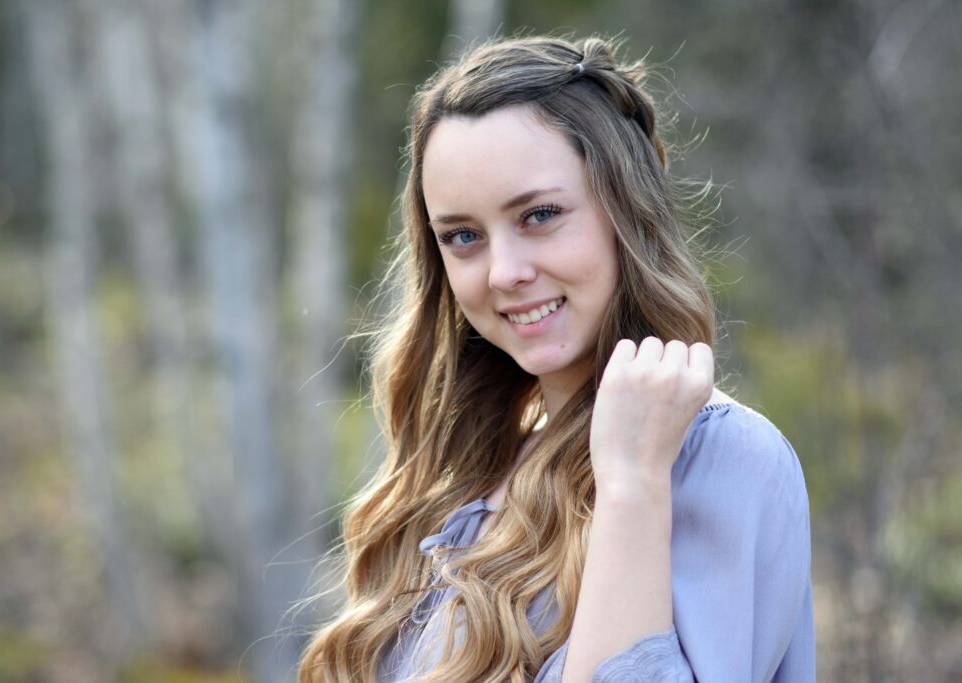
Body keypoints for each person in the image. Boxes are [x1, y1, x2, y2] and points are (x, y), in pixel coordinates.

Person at [297, 34, 814, 682]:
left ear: (625, 210)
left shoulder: (722, 460)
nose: (505, 272)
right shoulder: (466, 480)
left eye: (539, 214)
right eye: (463, 236)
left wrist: (631, 489)